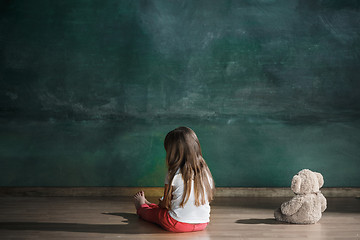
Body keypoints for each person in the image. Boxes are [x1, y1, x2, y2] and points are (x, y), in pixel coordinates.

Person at [133, 126, 215, 232]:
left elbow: (166, 204)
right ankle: (149, 204)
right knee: (166, 209)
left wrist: (159, 203)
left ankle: (142, 206)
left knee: (154, 214)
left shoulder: (173, 173)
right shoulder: (205, 171)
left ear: (172, 152)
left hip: (176, 223)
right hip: (202, 223)